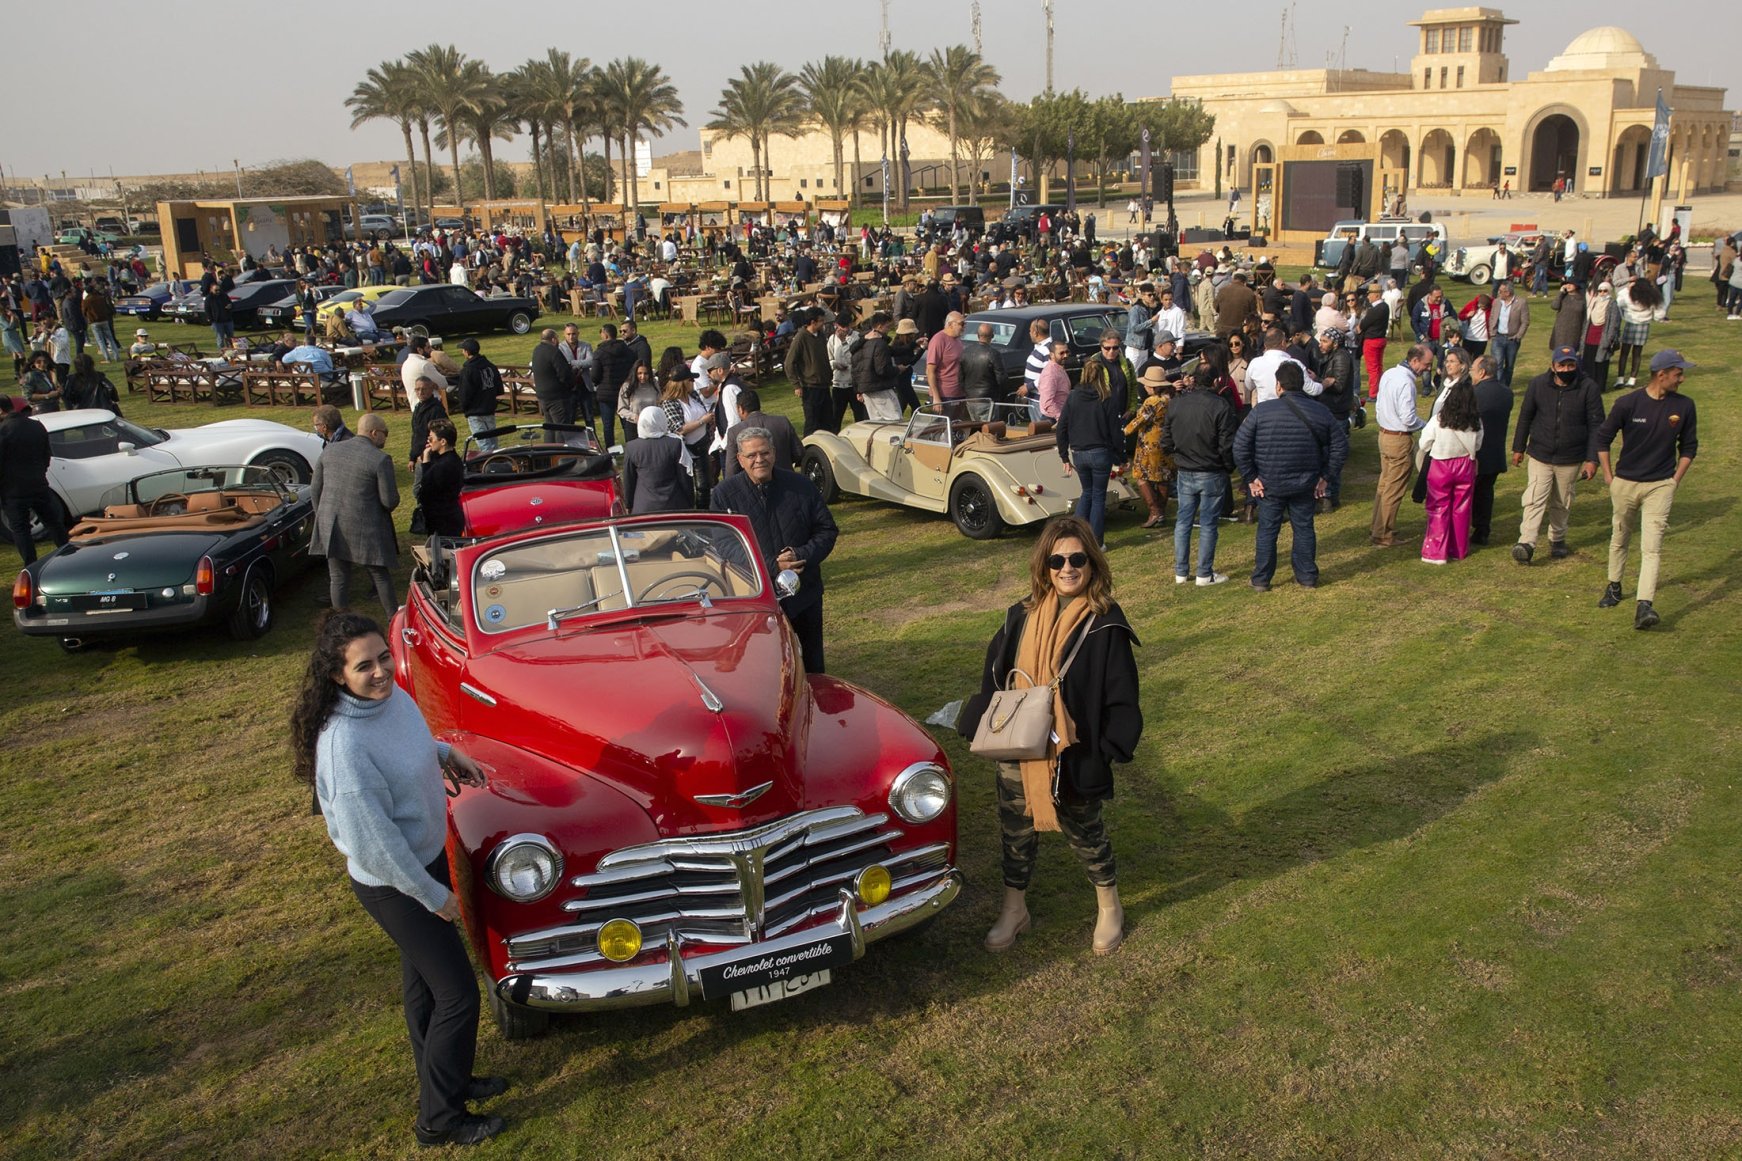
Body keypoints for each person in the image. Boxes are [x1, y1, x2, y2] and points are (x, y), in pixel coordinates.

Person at [289, 612, 505, 1149]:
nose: (382, 671)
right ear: (339, 676)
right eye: (365, 666)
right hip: (396, 884)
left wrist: (444, 754)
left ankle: (448, 1083)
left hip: (422, 862)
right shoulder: (344, 747)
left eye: (384, 656)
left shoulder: (389, 701)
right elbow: (373, 845)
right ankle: (439, 1121)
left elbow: (409, 745)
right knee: (457, 995)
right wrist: (434, 896)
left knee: (426, 992)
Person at [958, 518, 1141, 955]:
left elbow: (1122, 693)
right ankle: (1014, 908)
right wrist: (989, 720)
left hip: (1073, 751)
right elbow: (995, 674)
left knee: (1085, 831)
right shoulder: (1020, 616)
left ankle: (1109, 906)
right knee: (1015, 829)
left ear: (1092, 564)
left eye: (1077, 559)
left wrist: (1106, 752)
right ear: (1044, 567)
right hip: (1019, 743)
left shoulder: (1105, 622)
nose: (1067, 568)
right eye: (1057, 560)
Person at [710, 427, 838, 674]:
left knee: (812, 664)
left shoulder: (800, 485)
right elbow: (724, 544)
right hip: (757, 597)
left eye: (764, 453)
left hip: (804, 593)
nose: (759, 460)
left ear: (774, 453)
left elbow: (827, 530)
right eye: (752, 456)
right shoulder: (725, 495)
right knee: (767, 667)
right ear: (740, 459)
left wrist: (801, 554)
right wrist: (771, 565)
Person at [1595, 350, 1699, 631]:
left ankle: (1645, 605)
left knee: (1652, 548)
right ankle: (1614, 586)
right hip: (1625, 483)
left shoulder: (1685, 406)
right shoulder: (1627, 404)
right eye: (1678, 374)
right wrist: (1609, 477)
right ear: (1661, 375)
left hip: (1660, 486)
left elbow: (1689, 447)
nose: (1682, 379)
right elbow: (1603, 438)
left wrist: (1674, 480)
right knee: (1620, 537)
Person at [1235, 361, 1348, 590]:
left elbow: (1240, 446)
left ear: (1278, 386)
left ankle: (1261, 579)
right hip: (1305, 482)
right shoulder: (1320, 411)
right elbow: (1340, 446)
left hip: (1269, 483)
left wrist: (1250, 477)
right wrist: (1326, 476)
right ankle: (1306, 576)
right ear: (1304, 384)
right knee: (1304, 528)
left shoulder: (1262, 412)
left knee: (1267, 531)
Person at [1510, 346, 1602, 564]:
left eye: (1571, 365)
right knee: (1534, 498)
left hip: (1571, 456)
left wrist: (1592, 459)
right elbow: (1525, 417)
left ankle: (1558, 538)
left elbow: (1597, 426)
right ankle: (1527, 542)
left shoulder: (1588, 388)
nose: (1566, 369)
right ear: (1553, 366)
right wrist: (1518, 448)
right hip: (1540, 453)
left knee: (1562, 500)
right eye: (1562, 365)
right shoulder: (1537, 385)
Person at [311, 412, 400, 615]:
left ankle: (340, 623)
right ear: (374, 433)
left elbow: (315, 490)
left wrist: (322, 516)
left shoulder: (330, 450)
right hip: (365, 527)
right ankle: (393, 619)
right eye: (385, 434)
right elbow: (390, 501)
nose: (385, 438)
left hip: (331, 523)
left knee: (338, 577)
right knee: (379, 575)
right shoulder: (380, 459)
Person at [1162, 364, 1238, 586]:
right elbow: (1226, 444)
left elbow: (1166, 440)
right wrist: (1226, 465)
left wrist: (1178, 457)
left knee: (1184, 521)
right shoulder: (1219, 406)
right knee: (1207, 523)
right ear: (1215, 382)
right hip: (1209, 470)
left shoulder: (1177, 404)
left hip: (1188, 469)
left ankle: (1181, 572)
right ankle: (1204, 573)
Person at [1056, 357, 1124, 547]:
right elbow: (1115, 430)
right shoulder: (1107, 398)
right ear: (1103, 377)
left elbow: (1062, 427)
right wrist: (1121, 455)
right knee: (1097, 496)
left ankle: (1072, 535)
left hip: (1079, 453)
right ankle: (1096, 542)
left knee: (1087, 493)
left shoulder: (1073, 396)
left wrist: (1064, 455)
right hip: (1100, 452)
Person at [1370, 344, 1433, 547]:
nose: (1428, 368)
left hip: (1384, 435)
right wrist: (1428, 425)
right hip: (1398, 439)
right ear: (1414, 361)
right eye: (1426, 364)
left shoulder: (1389, 373)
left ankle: (1377, 527)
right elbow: (1408, 418)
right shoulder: (1407, 383)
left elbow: (1379, 405)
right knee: (1394, 489)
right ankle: (1384, 534)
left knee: (1384, 485)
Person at [1415, 379, 1483, 564]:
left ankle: (1436, 552)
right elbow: (1478, 444)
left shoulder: (1439, 420)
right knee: (1461, 508)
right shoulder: (1475, 421)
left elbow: (1424, 443)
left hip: (1441, 465)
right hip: (1465, 465)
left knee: (1438, 507)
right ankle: (1458, 549)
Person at [0, 396, 70, 563]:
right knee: (54, 523)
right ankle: (68, 555)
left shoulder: (3, 432)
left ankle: (31, 564)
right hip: (39, 484)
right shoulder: (36, 425)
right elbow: (46, 454)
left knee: (21, 529)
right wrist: (40, 473)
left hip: (13, 490)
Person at [1468, 355, 1514, 547]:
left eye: (1473, 369)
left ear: (1482, 372)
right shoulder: (1507, 393)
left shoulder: (1473, 394)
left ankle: (1466, 530)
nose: (1470, 372)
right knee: (1486, 493)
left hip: (1475, 453)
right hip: (1495, 453)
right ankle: (1482, 531)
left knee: (1469, 494)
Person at [1123, 365, 1174, 529]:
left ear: (1152, 386)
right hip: (1165, 440)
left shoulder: (1151, 402)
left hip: (1149, 444)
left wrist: (1124, 430)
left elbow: (1140, 421)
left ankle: (1154, 511)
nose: (1144, 386)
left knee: (1141, 475)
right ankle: (1161, 512)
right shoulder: (1168, 399)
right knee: (1163, 477)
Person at [622, 406, 695, 513]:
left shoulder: (632, 447)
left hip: (644, 507)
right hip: (674, 506)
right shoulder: (675, 444)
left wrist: (628, 504)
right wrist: (690, 501)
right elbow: (684, 478)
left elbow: (629, 480)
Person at [722, 388, 801, 477]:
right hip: (787, 480)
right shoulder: (782, 422)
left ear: (740, 408)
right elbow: (799, 453)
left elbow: (731, 470)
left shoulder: (734, 432)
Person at [412, 418, 466, 537]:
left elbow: (424, 489)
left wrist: (425, 460)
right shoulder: (452, 459)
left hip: (443, 521)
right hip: (449, 516)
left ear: (443, 441)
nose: (429, 441)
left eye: (431, 438)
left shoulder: (444, 465)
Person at [786, 308, 833, 435]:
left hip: (824, 384)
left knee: (828, 422)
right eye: (821, 321)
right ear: (813, 322)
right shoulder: (801, 337)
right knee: (812, 423)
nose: (823, 323)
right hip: (810, 387)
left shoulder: (821, 335)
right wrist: (796, 384)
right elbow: (789, 363)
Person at [454, 339, 503, 453]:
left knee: (484, 443)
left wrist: (464, 407)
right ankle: (498, 459)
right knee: (493, 440)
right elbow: (499, 388)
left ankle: (492, 465)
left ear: (466, 352)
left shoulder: (468, 370)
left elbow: (465, 393)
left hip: (475, 411)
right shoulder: (490, 366)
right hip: (489, 408)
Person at [528, 328, 575, 427]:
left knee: (549, 427)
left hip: (542, 396)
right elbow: (564, 374)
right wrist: (571, 385)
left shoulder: (537, 350)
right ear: (553, 339)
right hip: (557, 397)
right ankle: (560, 443)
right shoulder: (554, 352)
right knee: (561, 428)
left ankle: (549, 443)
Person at [1488, 281, 1529, 387]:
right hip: (1498, 337)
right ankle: (1498, 387)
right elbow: (1492, 317)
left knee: (1509, 366)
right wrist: (1492, 332)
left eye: (1501, 291)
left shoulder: (1521, 302)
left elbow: (1525, 321)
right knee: (1497, 364)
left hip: (1512, 339)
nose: (1498, 293)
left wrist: (1518, 336)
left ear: (1508, 292)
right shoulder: (1496, 302)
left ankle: (1506, 387)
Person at [925, 311, 966, 405]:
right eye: (961, 324)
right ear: (950, 324)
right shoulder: (938, 340)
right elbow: (930, 371)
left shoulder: (958, 340)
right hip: (944, 395)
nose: (964, 327)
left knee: (958, 420)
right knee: (943, 420)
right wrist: (936, 397)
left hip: (959, 393)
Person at [959, 321, 1005, 404]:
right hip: (988, 399)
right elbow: (1001, 379)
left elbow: (960, 377)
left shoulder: (965, 352)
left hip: (970, 398)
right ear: (993, 336)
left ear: (977, 335)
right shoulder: (994, 354)